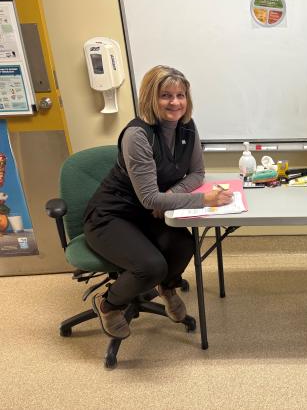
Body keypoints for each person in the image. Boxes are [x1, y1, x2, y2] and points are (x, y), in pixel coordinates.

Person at [84, 65, 233, 340]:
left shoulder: (187, 127)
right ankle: (109, 304)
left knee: (184, 244)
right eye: (166, 95)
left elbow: (197, 172)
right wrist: (201, 200)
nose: (175, 103)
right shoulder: (137, 135)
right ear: (151, 97)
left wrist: (169, 198)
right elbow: (149, 197)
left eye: (180, 95)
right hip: (112, 215)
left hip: (149, 213)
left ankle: (167, 288)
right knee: (151, 266)